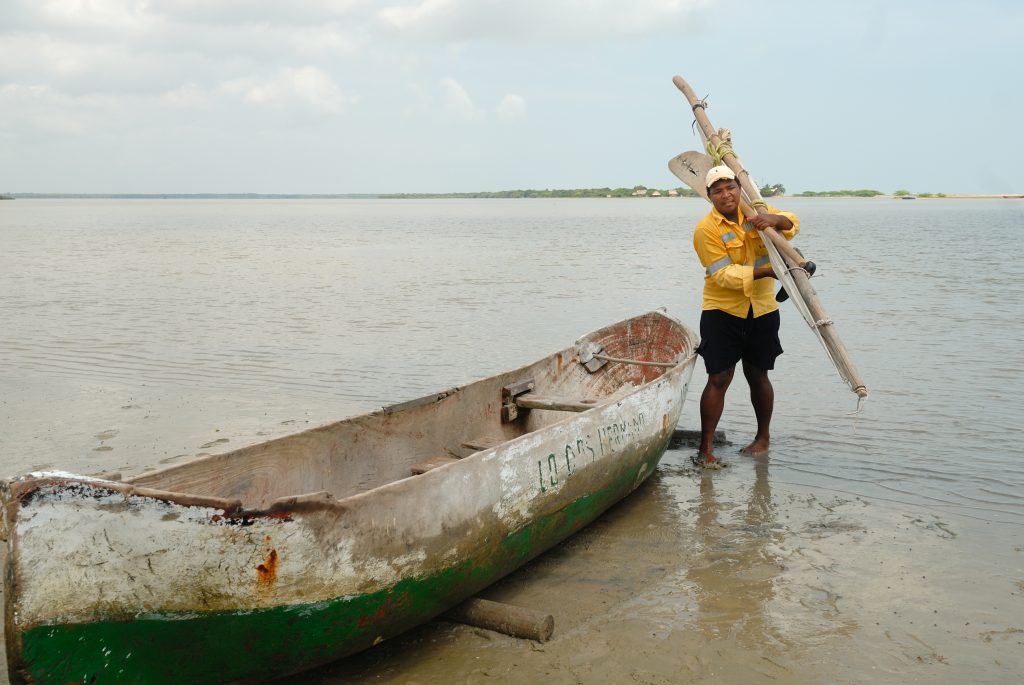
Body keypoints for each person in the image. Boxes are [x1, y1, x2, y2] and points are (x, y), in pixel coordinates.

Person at [692, 165, 799, 467]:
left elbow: (793, 223)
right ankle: (706, 448)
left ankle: (762, 438)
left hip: (763, 308)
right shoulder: (705, 229)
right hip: (722, 310)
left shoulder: (755, 211)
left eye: (731, 188)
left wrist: (774, 219)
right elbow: (723, 275)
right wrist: (769, 271)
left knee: (758, 374)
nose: (726, 194)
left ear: (739, 189)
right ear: (709, 195)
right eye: (718, 190)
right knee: (719, 378)